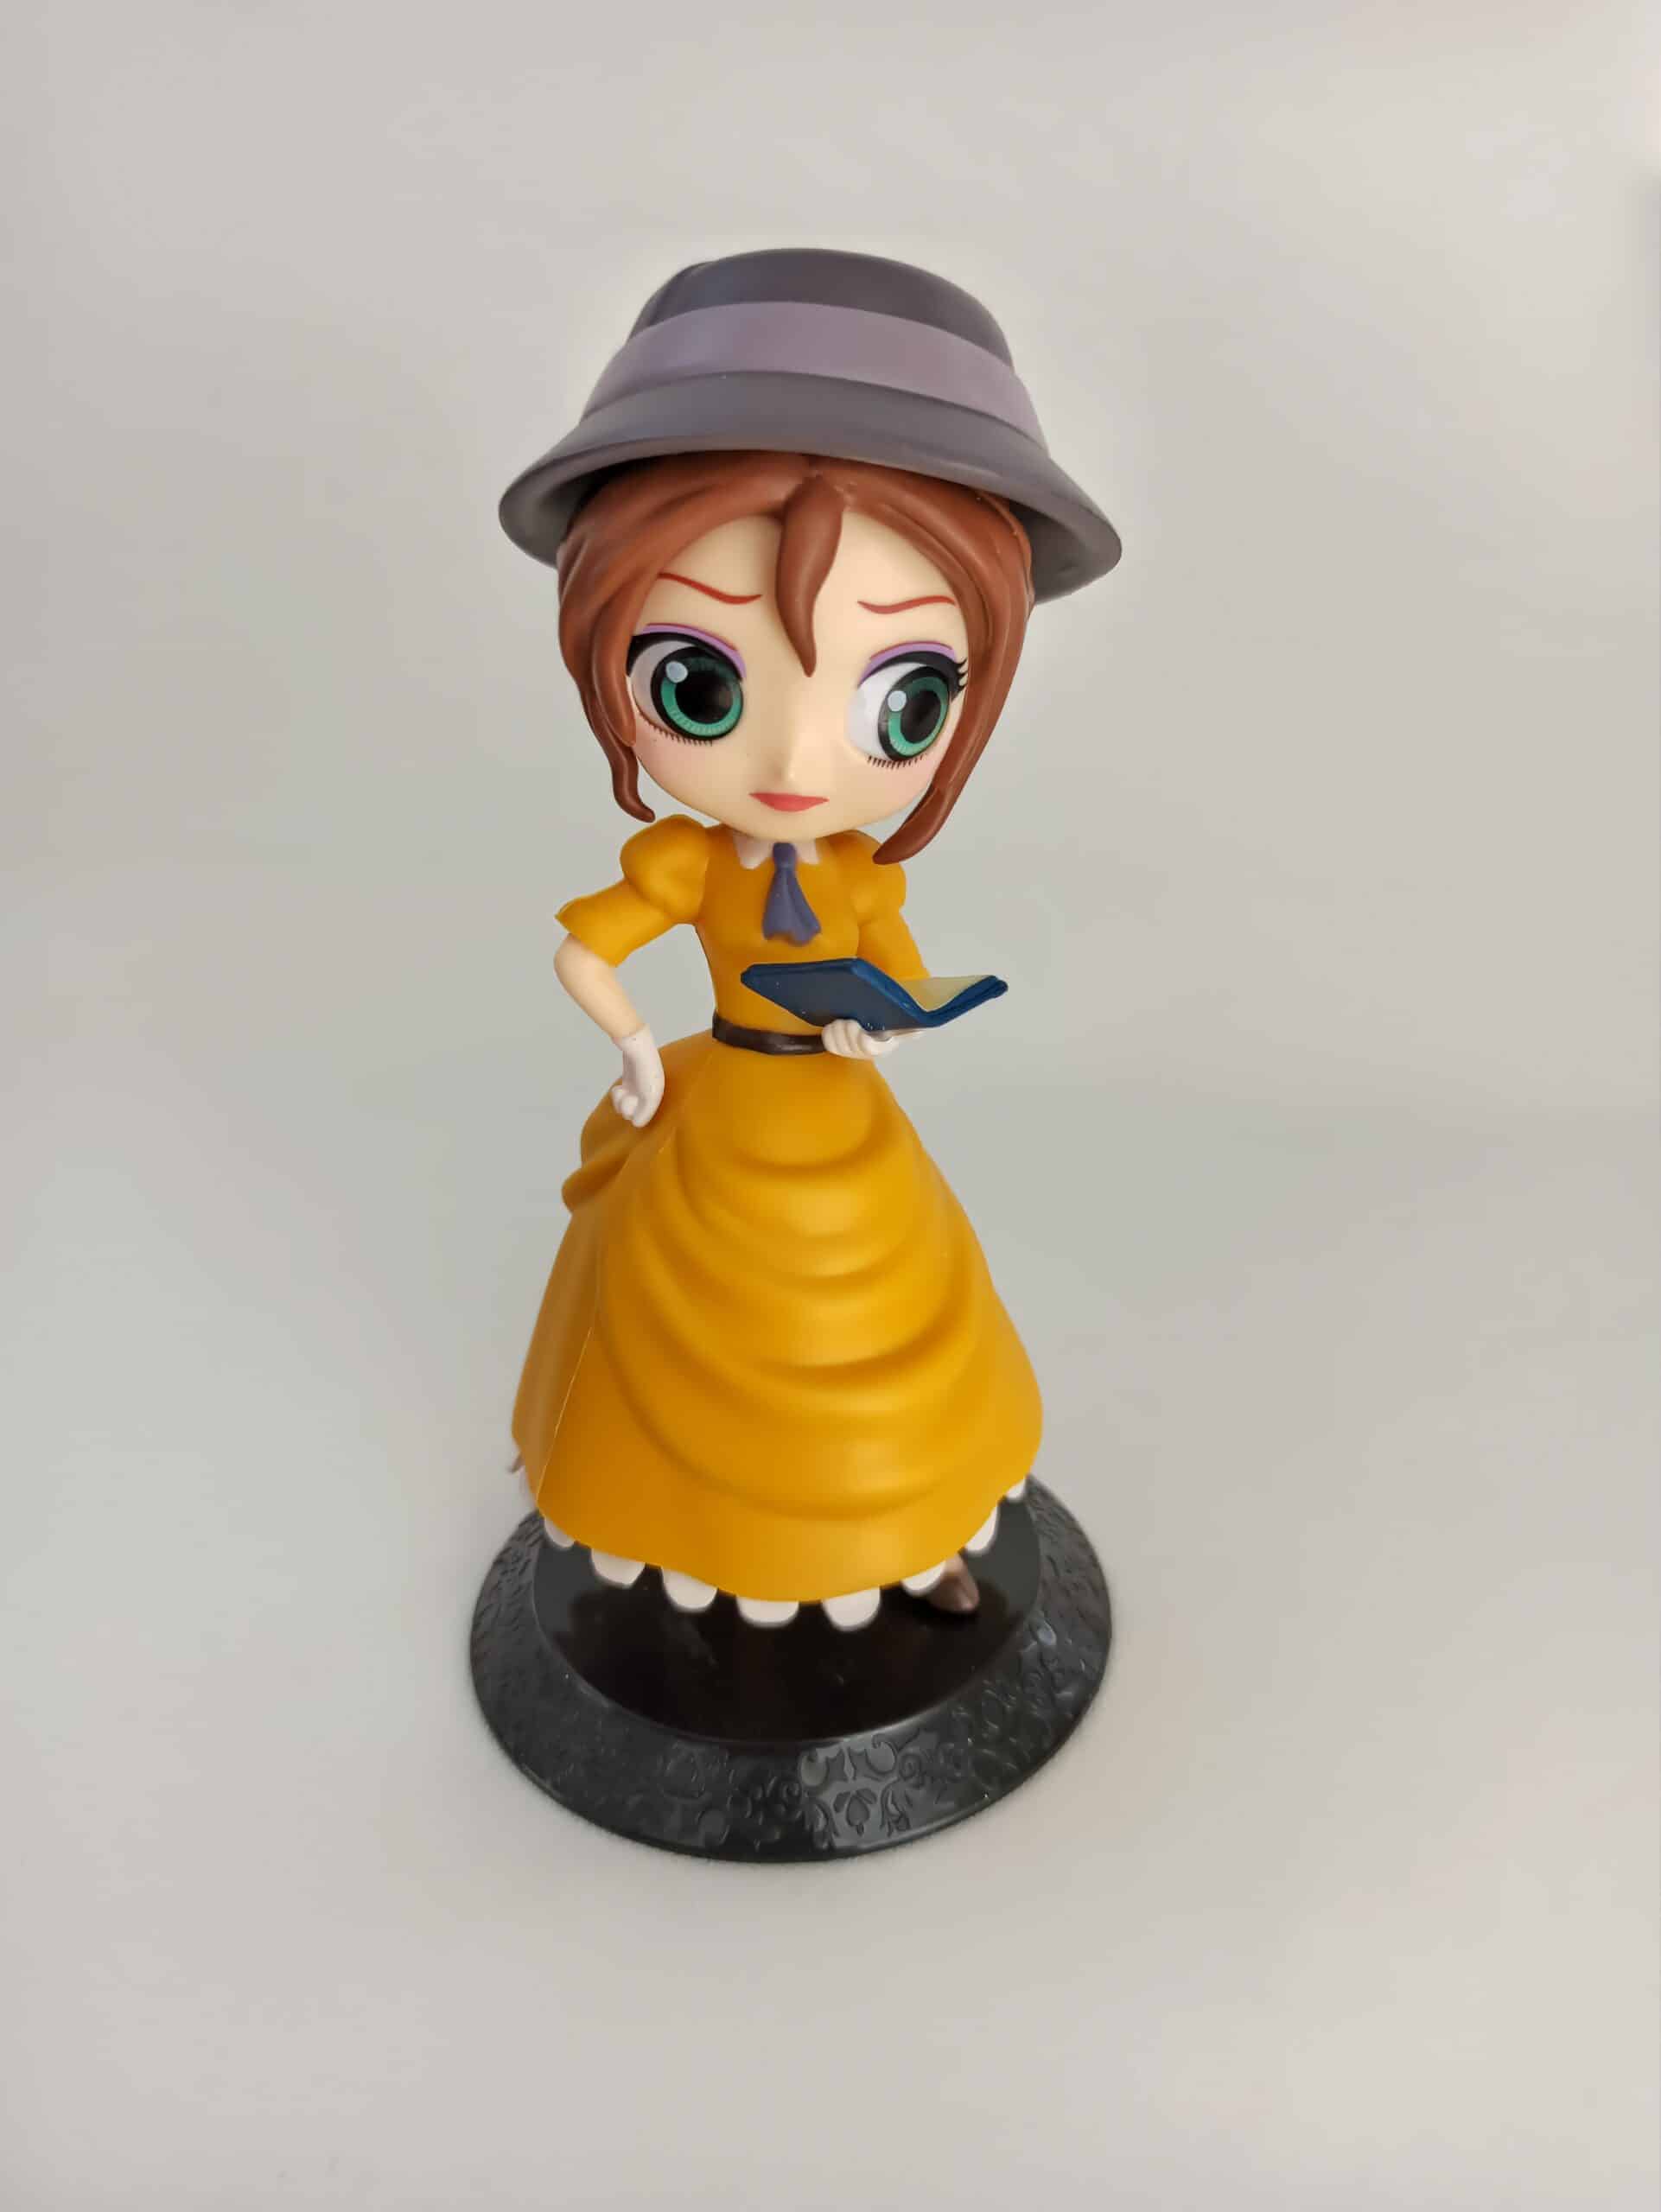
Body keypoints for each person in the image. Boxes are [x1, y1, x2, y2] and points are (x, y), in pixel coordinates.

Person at [499, 250, 1120, 1633]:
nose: (790, 763)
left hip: (838, 1112)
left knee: (890, 1338)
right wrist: (634, 1054)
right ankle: (706, 1546)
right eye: (699, 684)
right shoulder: (684, 861)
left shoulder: (852, 871)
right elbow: (588, 952)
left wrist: (881, 1020)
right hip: (718, 1118)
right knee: (692, 1343)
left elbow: (891, 969)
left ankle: (913, 1533)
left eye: (903, 700)